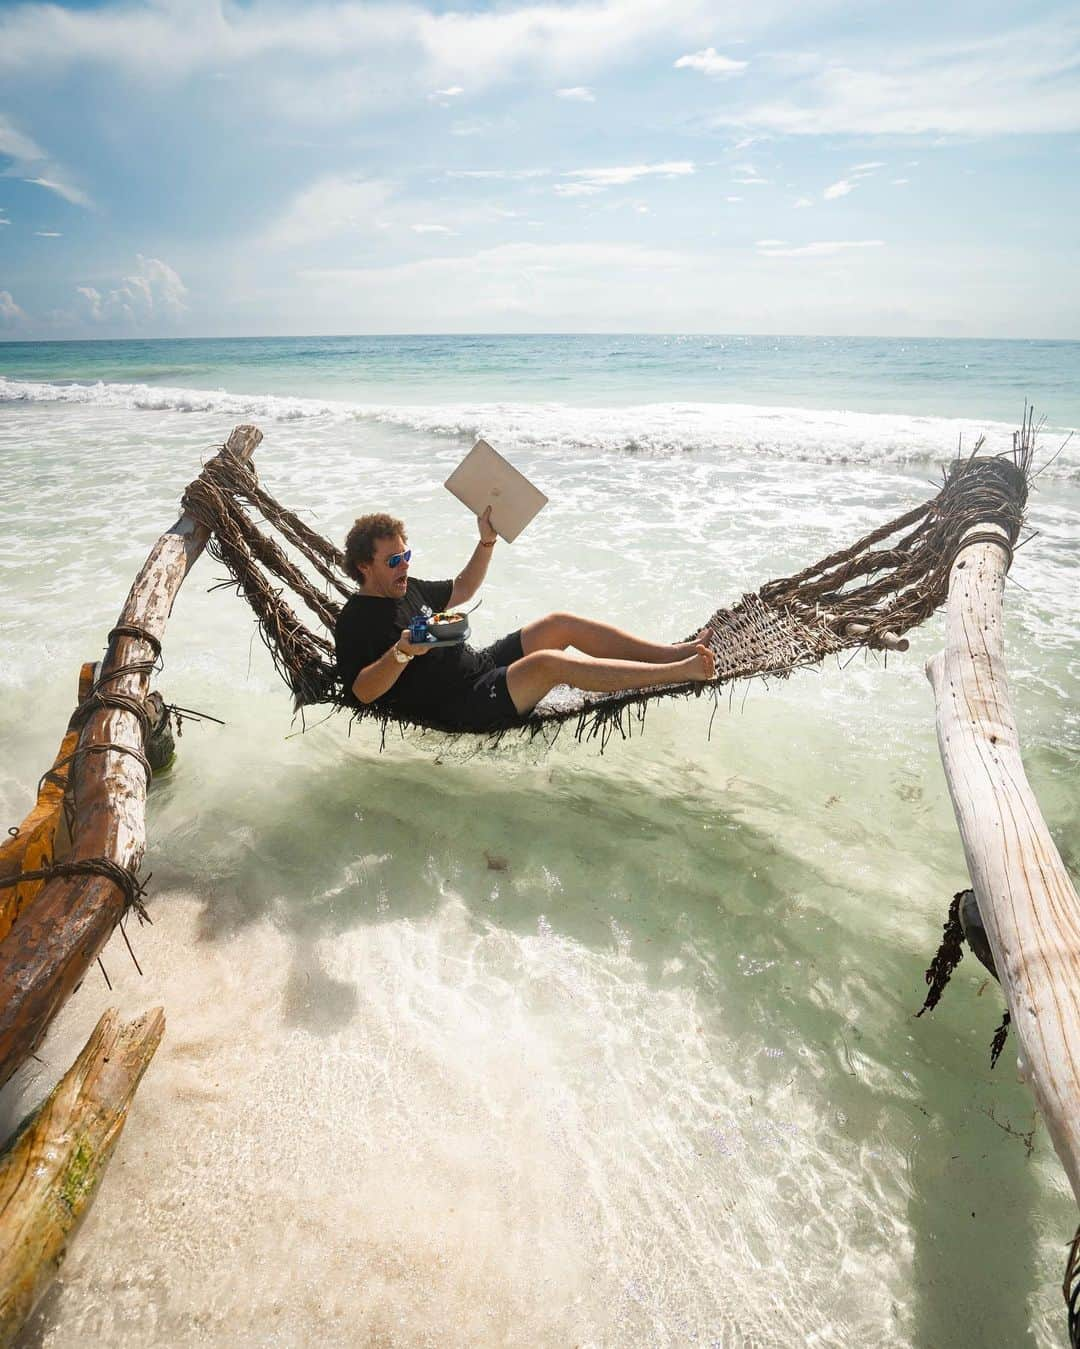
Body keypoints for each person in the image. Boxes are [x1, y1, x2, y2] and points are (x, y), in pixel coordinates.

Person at [334, 509, 716, 732]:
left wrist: (486, 542)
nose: (405, 566)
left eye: (407, 555)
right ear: (365, 566)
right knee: (548, 665)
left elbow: (463, 588)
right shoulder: (355, 621)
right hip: (461, 705)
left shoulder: (408, 586)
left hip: (480, 667)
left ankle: (670, 653)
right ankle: (680, 672)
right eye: (394, 561)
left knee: (558, 623)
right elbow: (362, 692)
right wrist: (402, 653)